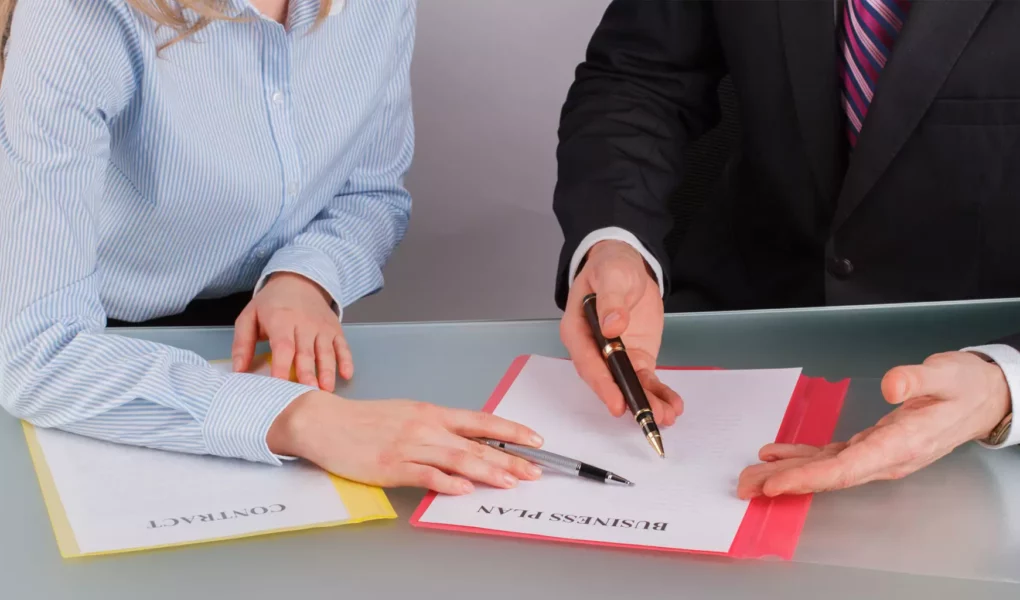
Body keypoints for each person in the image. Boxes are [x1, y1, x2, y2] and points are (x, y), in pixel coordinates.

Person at [0, 0, 543, 496]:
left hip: (257, 337)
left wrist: (306, 277)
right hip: (96, 353)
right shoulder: (76, 14)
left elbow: (370, 191)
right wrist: (304, 422)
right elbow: (37, 350)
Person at [554, 0, 1019, 497]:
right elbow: (639, 76)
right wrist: (615, 241)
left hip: (985, 364)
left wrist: (1004, 385)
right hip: (743, 324)